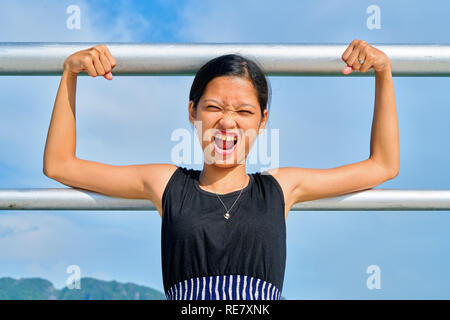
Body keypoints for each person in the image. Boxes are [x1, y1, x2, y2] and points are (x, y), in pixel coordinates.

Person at [43, 39, 399, 300]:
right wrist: (70, 73)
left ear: (262, 122)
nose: (227, 122)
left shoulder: (281, 188)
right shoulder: (168, 184)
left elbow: (382, 165)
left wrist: (383, 71)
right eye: (213, 107)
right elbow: (60, 165)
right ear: (192, 112)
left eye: (244, 112)